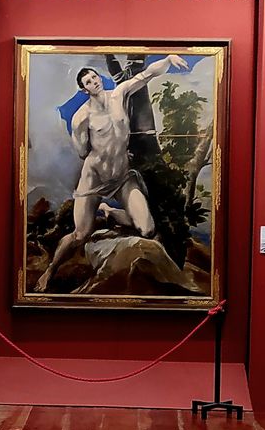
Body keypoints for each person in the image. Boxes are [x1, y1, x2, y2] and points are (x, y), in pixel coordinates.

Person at [35, 55, 189, 292]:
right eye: (88, 81)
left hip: (122, 176)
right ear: (84, 89)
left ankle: (109, 211)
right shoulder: (81, 118)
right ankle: (50, 270)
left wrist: (168, 59)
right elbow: (82, 152)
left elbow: (145, 75)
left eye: (95, 77)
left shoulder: (119, 95)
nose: (94, 82)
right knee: (80, 234)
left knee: (147, 229)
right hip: (94, 179)